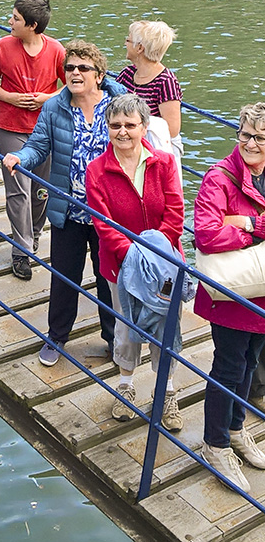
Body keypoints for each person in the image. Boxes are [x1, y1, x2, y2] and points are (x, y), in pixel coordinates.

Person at [2, 40, 118, 366]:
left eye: (83, 68)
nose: (75, 73)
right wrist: (20, 157)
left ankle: (113, 339)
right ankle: (57, 337)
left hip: (108, 214)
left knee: (108, 279)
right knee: (64, 277)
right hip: (68, 209)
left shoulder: (118, 104)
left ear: (98, 74)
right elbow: (39, 145)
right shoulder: (55, 107)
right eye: (70, 67)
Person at [85, 94, 185, 431]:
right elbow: (103, 223)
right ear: (107, 128)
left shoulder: (165, 163)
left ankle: (167, 391)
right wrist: (134, 259)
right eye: (115, 125)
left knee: (166, 327)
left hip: (166, 265)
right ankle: (125, 384)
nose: (123, 132)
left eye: (130, 125)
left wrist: (153, 258)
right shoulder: (96, 171)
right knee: (127, 326)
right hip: (119, 265)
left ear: (144, 127)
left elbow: (175, 213)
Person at [193, 101, 265, 492]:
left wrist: (247, 223)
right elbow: (206, 235)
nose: (251, 143)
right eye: (245, 135)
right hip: (232, 294)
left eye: (260, 137)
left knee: (251, 362)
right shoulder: (218, 178)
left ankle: (237, 428)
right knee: (228, 366)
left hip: (262, 291)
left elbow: (233, 228)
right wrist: (256, 230)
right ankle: (215, 443)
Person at [0, 0, 65, 280]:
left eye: (16, 18)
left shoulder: (55, 50)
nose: (10, 21)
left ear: (32, 26)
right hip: (10, 127)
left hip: (45, 129)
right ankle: (21, 252)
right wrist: (10, 98)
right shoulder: (3, 46)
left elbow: (68, 87)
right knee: (18, 187)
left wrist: (46, 97)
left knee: (40, 190)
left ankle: (34, 234)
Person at [116, 20, 182, 143]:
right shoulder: (127, 73)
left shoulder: (165, 82)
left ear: (140, 48)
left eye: (128, 40)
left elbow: (172, 130)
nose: (125, 44)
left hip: (150, 147)